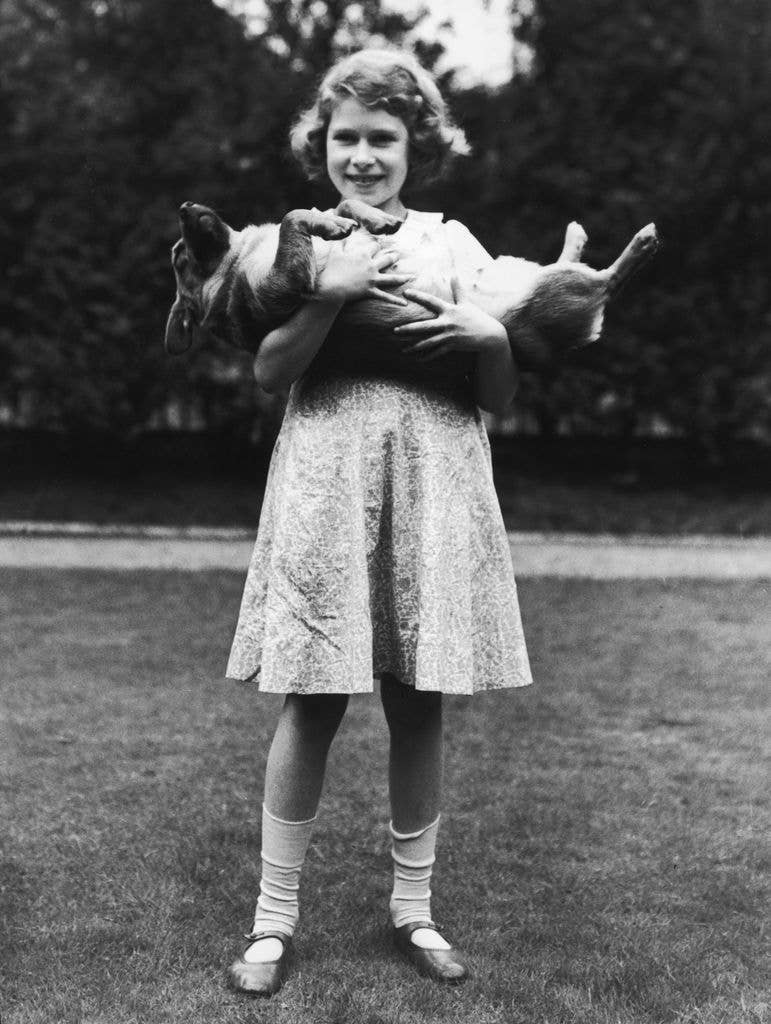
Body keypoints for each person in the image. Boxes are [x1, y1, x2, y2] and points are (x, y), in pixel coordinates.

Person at [225, 47, 533, 997]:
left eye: (382, 138)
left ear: (416, 147)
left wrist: (491, 338)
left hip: (435, 480)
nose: (361, 155)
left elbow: (500, 397)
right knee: (312, 697)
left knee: (418, 700)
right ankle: (273, 924)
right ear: (321, 144)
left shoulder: (452, 242)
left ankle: (415, 911)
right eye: (345, 137)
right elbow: (271, 373)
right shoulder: (300, 241)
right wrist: (330, 290)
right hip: (328, 480)